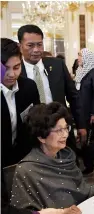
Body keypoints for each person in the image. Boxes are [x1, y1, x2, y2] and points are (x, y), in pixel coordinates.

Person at [10, 102, 94, 210]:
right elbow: (22, 210)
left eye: (66, 128)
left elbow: (82, 190)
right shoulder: (27, 170)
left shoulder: (66, 156)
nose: (65, 134)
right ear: (41, 137)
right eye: (59, 130)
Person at [17, 25, 86, 152]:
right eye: (30, 45)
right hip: (32, 136)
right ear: (20, 46)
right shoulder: (16, 72)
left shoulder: (57, 65)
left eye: (40, 44)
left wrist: (81, 125)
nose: (36, 50)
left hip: (61, 131)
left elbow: (74, 97)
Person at [1, 38, 40, 167]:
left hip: (23, 158)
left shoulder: (29, 87)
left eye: (16, 67)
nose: (11, 74)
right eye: (6, 69)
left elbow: (36, 122)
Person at [76, 48, 94, 175]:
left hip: (90, 114)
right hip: (81, 113)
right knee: (83, 141)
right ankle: (88, 165)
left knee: (91, 140)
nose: (79, 58)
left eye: (80, 56)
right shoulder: (81, 71)